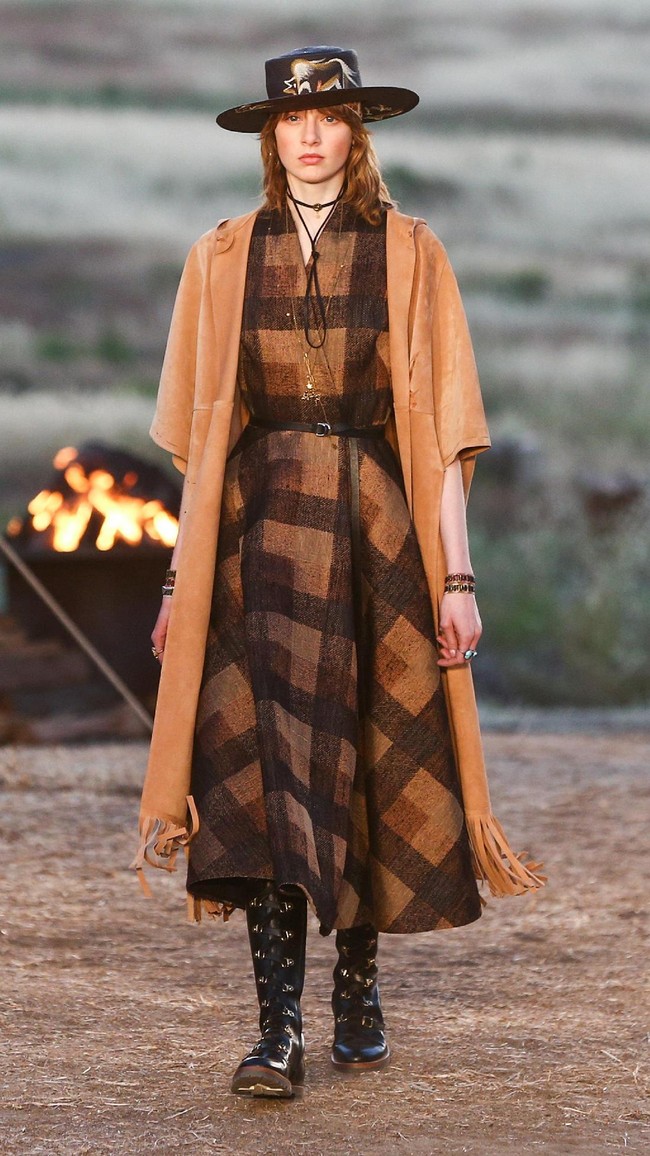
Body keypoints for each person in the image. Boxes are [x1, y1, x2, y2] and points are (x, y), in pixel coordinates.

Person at [134, 46, 544, 1100]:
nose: (310, 134)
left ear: (356, 132)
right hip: (253, 534)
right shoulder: (219, 257)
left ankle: (355, 985)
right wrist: (181, 586)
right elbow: (195, 441)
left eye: (330, 118)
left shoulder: (410, 253)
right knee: (263, 778)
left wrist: (455, 582)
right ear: (270, 137)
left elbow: (444, 437)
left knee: (365, 751)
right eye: (291, 119)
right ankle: (276, 1029)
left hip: (376, 530)